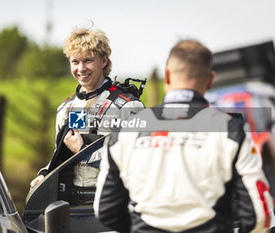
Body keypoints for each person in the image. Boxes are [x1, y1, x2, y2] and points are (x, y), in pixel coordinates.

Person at [94, 39, 274, 233]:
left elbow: (105, 210)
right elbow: (259, 215)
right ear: (210, 80)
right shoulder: (230, 129)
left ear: (168, 76)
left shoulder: (125, 131)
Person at [30, 27, 145, 200]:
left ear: (104, 61)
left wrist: (85, 150)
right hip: (70, 205)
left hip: (112, 203)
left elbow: (137, 161)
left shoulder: (129, 106)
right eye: (75, 62)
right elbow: (61, 154)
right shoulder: (66, 109)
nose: (81, 69)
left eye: (88, 61)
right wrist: (45, 173)